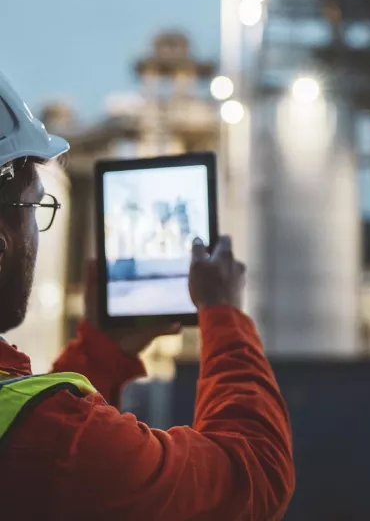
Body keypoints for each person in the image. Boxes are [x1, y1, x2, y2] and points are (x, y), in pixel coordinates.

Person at [0, 73, 295, 520]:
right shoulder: (56, 443)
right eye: (34, 206)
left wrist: (104, 349)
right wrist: (224, 314)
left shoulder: (40, 436)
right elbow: (253, 473)